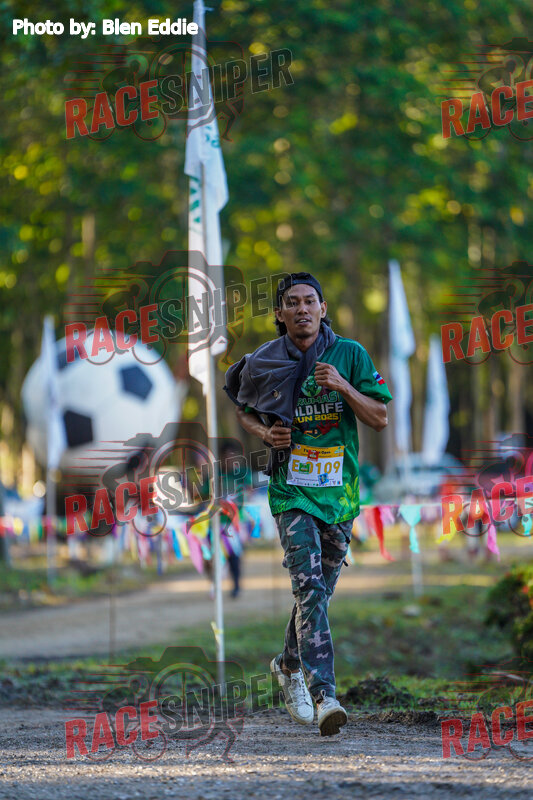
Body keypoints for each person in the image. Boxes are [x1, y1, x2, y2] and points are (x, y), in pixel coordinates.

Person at [224, 272, 392, 736]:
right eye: (292, 302)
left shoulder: (350, 355)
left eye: (309, 301)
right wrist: (264, 433)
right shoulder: (265, 359)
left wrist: (343, 387)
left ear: (322, 309)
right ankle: (325, 697)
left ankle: (288, 663)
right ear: (280, 314)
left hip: (340, 495)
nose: (302, 309)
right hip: (291, 491)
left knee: (319, 592)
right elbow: (241, 406)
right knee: (309, 588)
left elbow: (379, 417)